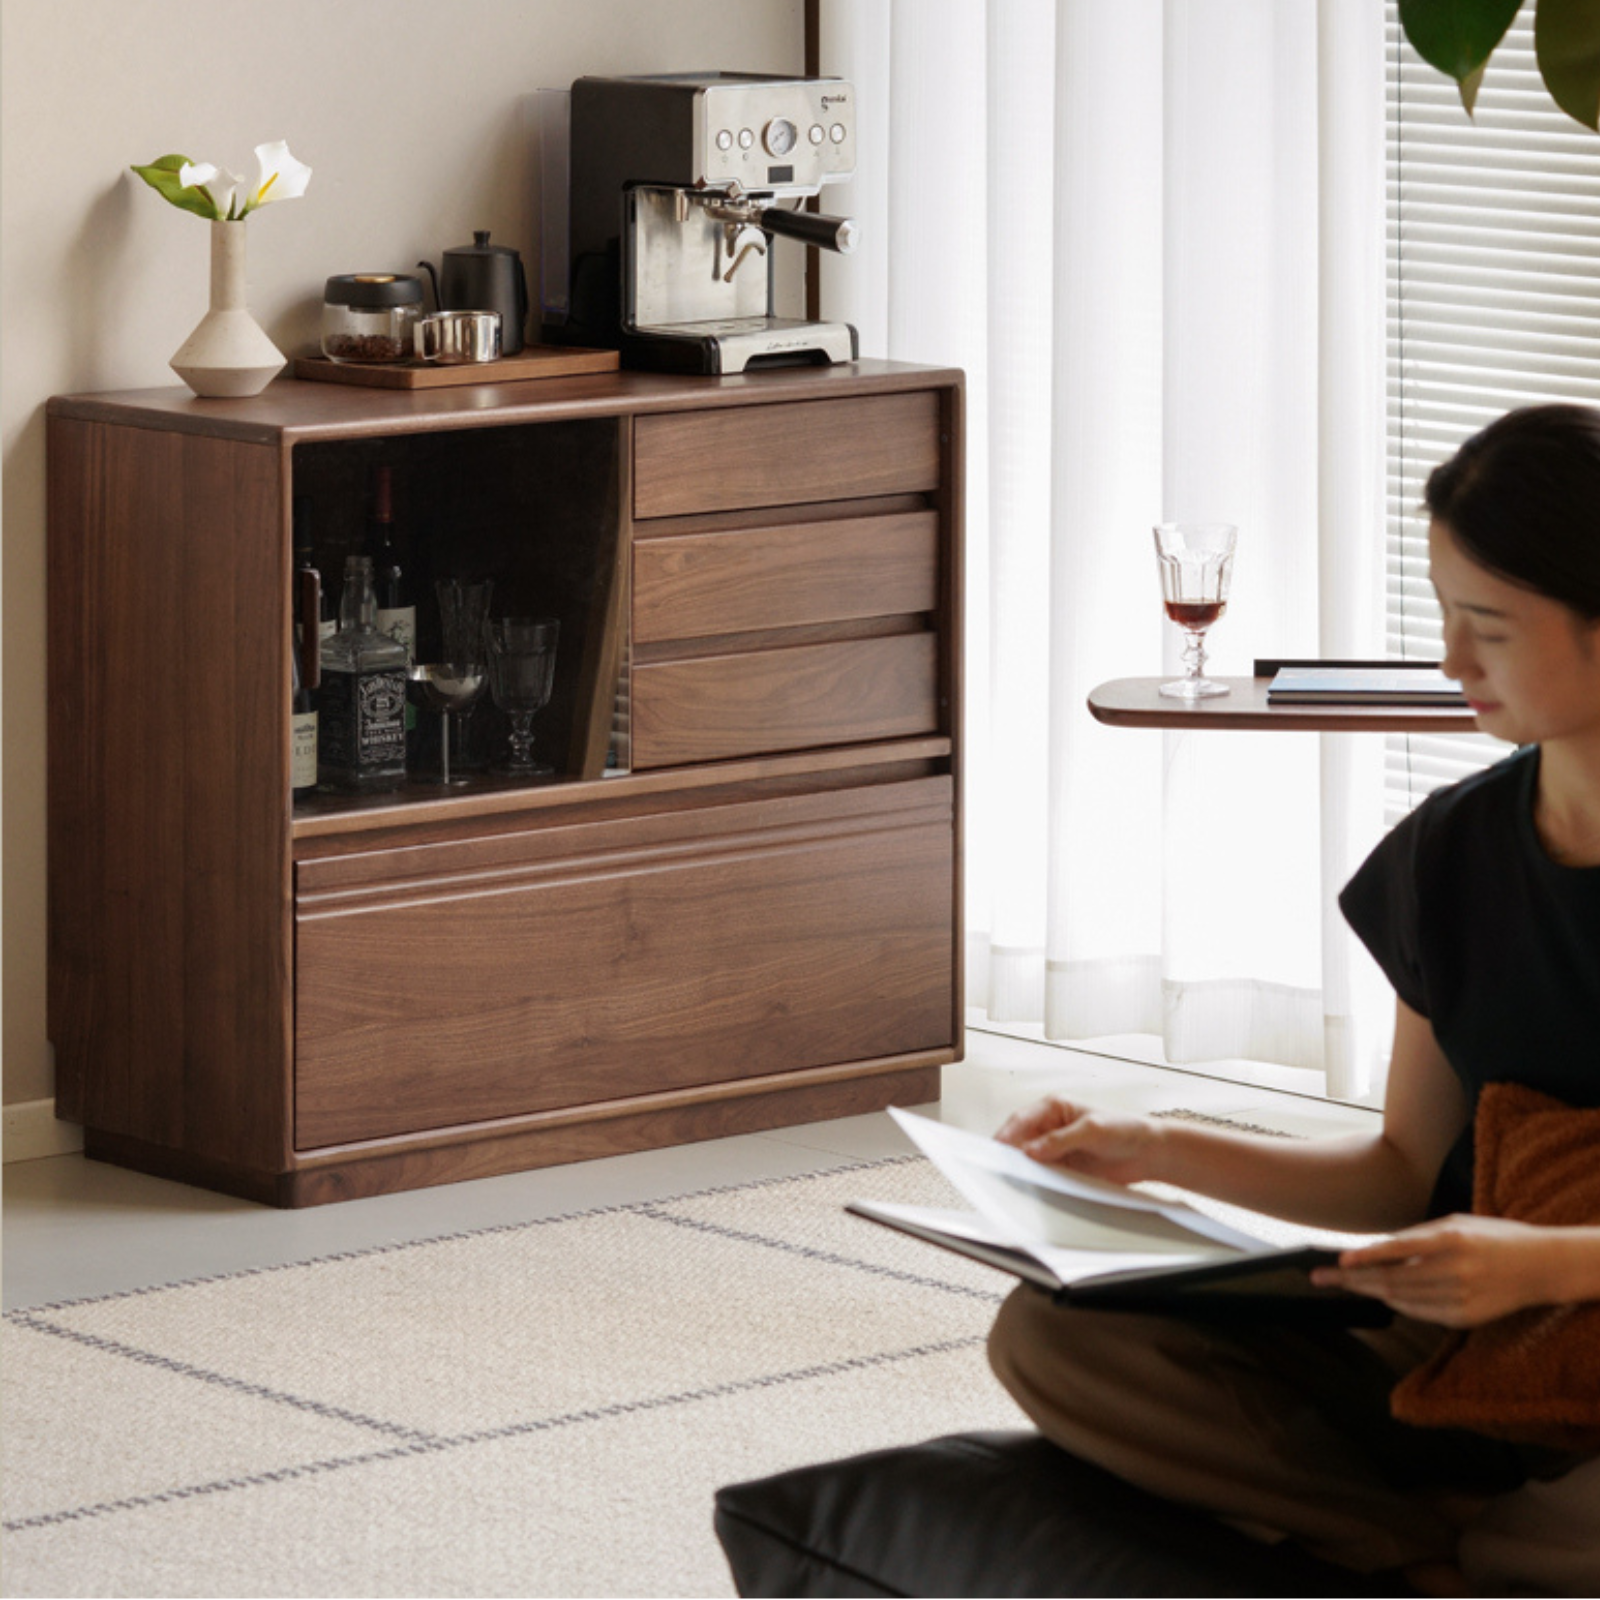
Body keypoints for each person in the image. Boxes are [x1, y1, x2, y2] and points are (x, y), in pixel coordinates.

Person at [986, 403, 1600, 1596]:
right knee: (1061, 1333)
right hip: (1468, 1317)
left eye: (1488, 627)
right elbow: (1396, 1170)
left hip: (1554, 1292)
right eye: (1442, 613)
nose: (1449, 662)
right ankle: (1420, 1556)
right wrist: (1153, 1151)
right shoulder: (1448, 858)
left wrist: (1546, 1267)